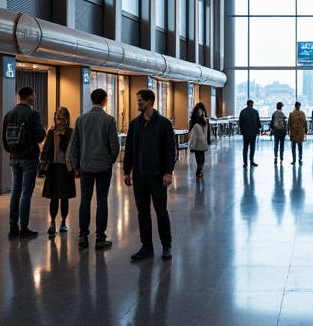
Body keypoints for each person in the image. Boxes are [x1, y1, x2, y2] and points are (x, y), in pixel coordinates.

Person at [123, 88, 176, 261]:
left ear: (150, 102)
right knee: (142, 212)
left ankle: (166, 246)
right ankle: (147, 246)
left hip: (158, 176)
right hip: (139, 176)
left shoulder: (164, 123)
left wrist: (168, 172)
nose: (138, 103)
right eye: (138, 101)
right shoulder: (134, 124)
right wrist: (126, 171)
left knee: (161, 211)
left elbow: (170, 150)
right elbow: (129, 149)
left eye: (140, 101)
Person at [69, 88, 121, 250]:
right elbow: (114, 145)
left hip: (85, 165)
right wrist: (109, 160)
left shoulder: (81, 120)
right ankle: (100, 237)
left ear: (91, 100)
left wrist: (76, 165)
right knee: (102, 200)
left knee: (85, 199)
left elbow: (75, 145)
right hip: (103, 166)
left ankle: (83, 236)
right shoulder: (109, 120)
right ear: (105, 100)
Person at [2, 85, 46, 238]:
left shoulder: (9, 114)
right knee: (27, 191)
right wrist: (43, 132)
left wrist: (13, 151)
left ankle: (13, 226)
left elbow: (4, 139)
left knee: (15, 190)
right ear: (29, 97)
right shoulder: (32, 115)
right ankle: (24, 226)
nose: (34, 98)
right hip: (29, 157)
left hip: (14, 157)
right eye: (34, 95)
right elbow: (40, 136)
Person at [40, 106, 76, 235]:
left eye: (62, 118)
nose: (59, 121)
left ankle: (64, 221)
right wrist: (43, 166)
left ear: (67, 119)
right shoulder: (51, 132)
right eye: (57, 118)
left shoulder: (70, 132)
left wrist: (76, 168)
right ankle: (52, 222)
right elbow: (46, 150)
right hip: (54, 167)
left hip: (66, 168)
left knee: (65, 197)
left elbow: (72, 150)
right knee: (53, 197)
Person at [188, 102, 210, 180]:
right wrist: (192, 147)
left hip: (202, 144)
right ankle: (198, 172)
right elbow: (194, 137)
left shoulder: (204, 124)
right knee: (199, 160)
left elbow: (205, 134)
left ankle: (199, 171)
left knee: (202, 160)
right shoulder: (196, 125)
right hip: (198, 145)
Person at [238, 99, 261, 167]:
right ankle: (251, 161)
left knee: (245, 148)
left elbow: (240, 122)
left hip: (245, 133)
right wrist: (258, 130)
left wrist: (242, 131)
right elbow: (258, 122)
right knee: (252, 148)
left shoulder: (242, 112)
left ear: (247, 104)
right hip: (253, 133)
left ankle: (245, 162)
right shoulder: (255, 112)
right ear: (252, 104)